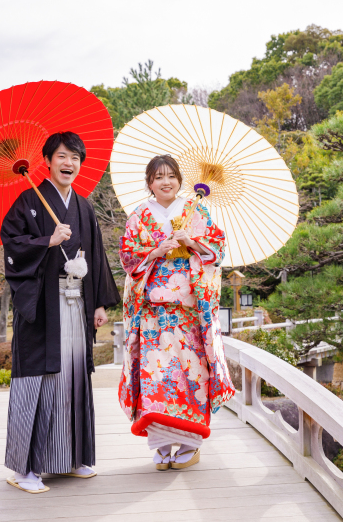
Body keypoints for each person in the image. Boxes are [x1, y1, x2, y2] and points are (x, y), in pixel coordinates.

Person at [1, 131, 120, 493]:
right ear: (48, 161)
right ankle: (26, 469)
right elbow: (12, 245)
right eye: (62, 157)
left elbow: (97, 256)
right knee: (39, 379)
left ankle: (70, 459)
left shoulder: (83, 207)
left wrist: (98, 302)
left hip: (77, 302)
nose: (69, 164)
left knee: (72, 377)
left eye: (75, 158)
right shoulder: (26, 202)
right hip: (42, 307)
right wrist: (46, 241)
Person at [118, 155, 235, 470]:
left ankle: (189, 442)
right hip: (154, 315)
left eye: (171, 176)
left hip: (188, 314)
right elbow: (128, 257)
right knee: (157, 377)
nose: (165, 182)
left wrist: (192, 242)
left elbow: (218, 251)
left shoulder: (194, 211)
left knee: (190, 376)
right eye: (158, 177)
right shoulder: (139, 216)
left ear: (180, 180)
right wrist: (155, 251)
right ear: (149, 183)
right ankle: (160, 444)